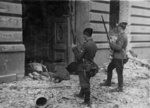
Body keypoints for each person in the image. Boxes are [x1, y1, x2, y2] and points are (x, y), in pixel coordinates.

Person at [72, 28, 98, 107]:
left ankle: (87, 101)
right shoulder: (94, 44)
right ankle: (81, 94)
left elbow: (79, 57)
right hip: (90, 65)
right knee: (86, 80)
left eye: (83, 35)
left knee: (85, 83)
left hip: (84, 66)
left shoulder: (86, 45)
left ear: (85, 34)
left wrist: (74, 49)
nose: (83, 36)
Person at [100, 22, 128, 92]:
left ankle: (120, 87)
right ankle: (108, 82)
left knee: (119, 72)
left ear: (120, 28)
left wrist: (112, 44)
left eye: (118, 27)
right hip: (117, 57)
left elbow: (118, 47)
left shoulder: (123, 36)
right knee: (109, 68)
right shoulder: (121, 35)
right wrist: (112, 44)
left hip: (119, 57)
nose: (117, 28)